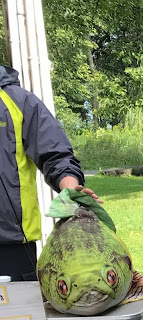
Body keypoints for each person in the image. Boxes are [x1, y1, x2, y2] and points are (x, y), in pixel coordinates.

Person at [0, 64, 101, 281]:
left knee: (17, 314)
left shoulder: (17, 100)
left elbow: (56, 155)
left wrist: (70, 189)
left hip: (13, 247)